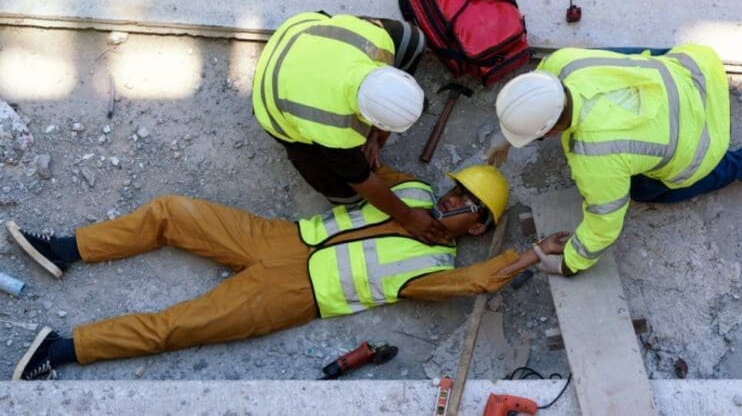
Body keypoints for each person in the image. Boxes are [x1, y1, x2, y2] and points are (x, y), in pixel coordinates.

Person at [8, 165, 566, 381]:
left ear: (475, 229)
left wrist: (529, 255)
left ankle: (59, 350)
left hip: (294, 293)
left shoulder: (435, 265)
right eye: (455, 188)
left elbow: (471, 285)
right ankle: (62, 249)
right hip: (283, 237)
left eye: (467, 204)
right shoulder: (414, 191)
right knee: (171, 211)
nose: (450, 200)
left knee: (176, 327)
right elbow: (360, 169)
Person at [486, 44, 742, 276]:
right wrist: (509, 132)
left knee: (644, 190)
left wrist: (570, 262)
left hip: (705, 139)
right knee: (622, 58)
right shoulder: (564, 62)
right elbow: (540, 83)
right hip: (698, 72)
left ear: (551, 130)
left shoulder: (595, 156)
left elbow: (604, 222)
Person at [252, 11, 448, 244]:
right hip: (271, 95)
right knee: (346, 196)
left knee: (411, 40)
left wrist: (376, 136)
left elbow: (407, 42)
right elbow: (360, 178)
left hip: (298, 32)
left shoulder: (380, 41)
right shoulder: (334, 127)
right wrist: (407, 216)